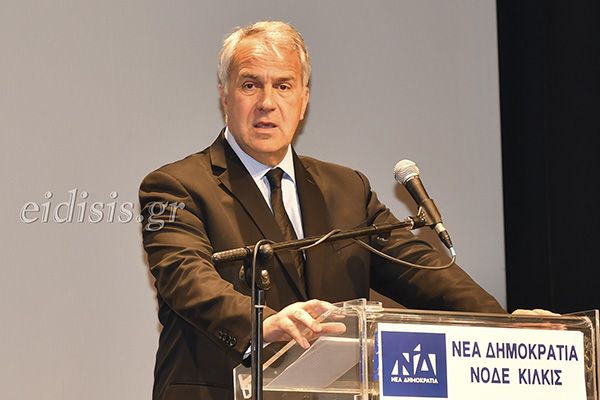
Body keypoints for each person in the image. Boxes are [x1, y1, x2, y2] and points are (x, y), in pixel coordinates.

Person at [139, 20, 505, 400]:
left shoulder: (348, 189)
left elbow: (419, 269)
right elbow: (186, 278)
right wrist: (263, 323)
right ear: (225, 95)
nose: (267, 102)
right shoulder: (173, 186)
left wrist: (506, 325)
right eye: (250, 85)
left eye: (283, 86)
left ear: (304, 100)